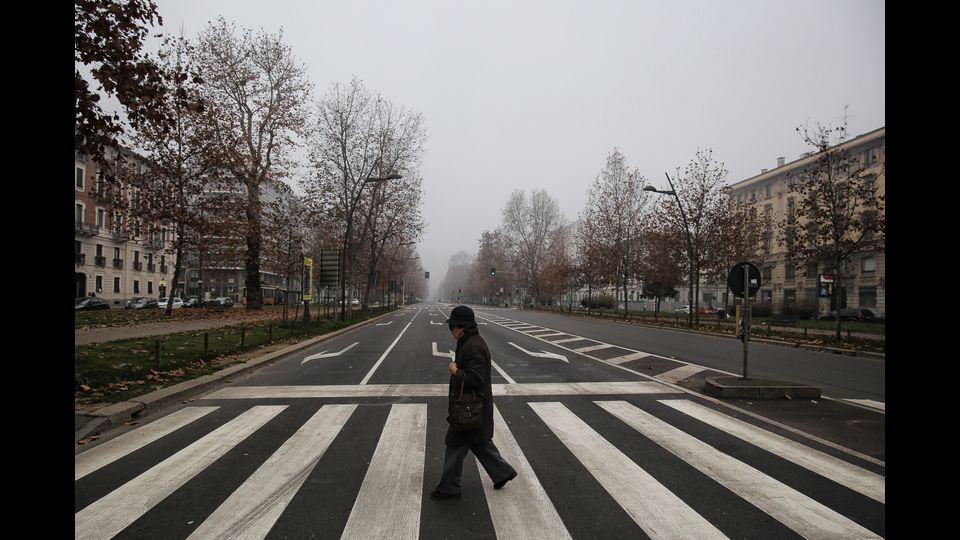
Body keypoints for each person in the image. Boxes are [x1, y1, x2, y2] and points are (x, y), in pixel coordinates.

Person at [431, 305, 517, 500]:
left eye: (452, 326)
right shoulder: (469, 341)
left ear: (461, 327)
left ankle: (449, 488)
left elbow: (475, 378)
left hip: (469, 408)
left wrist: (456, 372)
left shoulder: (472, 346)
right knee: (479, 442)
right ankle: (502, 472)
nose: (450, 330)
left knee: (455, 443)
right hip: (473, 407)